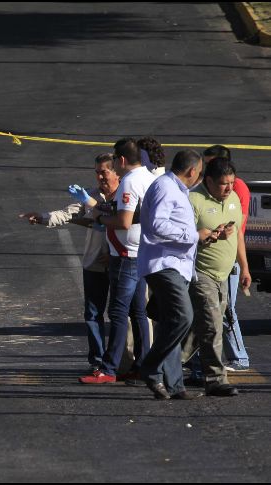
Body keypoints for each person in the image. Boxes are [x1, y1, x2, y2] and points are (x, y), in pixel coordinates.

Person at [19, 154, 119, 373]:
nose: (99, 176)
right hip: (94, 264)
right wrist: (43, 217)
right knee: (93, 314)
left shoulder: (126, 196)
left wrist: (112, 254)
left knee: (122, 315)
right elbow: (68, 213)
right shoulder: (91, 195)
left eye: (104, 171)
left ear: (116, 171)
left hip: (122, 264)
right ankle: (98, 362)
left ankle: (123, 361)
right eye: (97, 172)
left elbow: (130, 225)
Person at [79, 138, 156, 384]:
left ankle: (109, 369)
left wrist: (100, 220)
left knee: (119, 312)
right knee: (138, 313)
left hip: (125, 255)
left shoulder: (130, 182)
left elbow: (123, 221)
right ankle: (143, 365)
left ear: (121, 160)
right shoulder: (150, 178)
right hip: (142, 253)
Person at [137, 149, 204, 400]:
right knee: (183, 318)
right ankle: (150, 367)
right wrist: (194, 236)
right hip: (164, 265)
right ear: (192, 171)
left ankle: (174, 386)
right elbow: (156, 225)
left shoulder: (178, 190)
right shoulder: (165, 187)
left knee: (171, 322)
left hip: (179, 265)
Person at [181, 157, 250, 397]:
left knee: (200, 325)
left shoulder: (232, 199)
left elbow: (238, 235)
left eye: (232, 182)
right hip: (200, 273)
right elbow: (181, 238)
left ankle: (169, 360)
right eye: (223, 184)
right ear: (208, 180)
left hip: (225, 274)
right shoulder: (192, 200)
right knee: (212, 325)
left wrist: (244, 268)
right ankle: (216, 379)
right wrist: (208, 236)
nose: (229, 188)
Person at [203, 145, 251, 372]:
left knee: (227, 310)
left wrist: (243, 266)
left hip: (227, 258)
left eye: (210, 163)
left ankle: (239, 357)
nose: (206, 170)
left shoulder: (235, 190)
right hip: (217, 259)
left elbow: (237, 228)